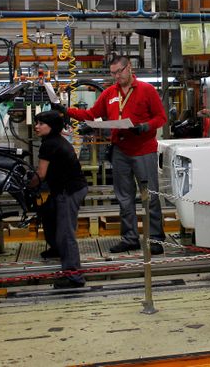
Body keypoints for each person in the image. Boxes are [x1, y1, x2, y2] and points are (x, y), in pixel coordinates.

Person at [54, 55, 168, 254]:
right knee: (124, 197)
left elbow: (161, 117)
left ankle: (156, 239)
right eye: (113, 73)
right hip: (121, 151)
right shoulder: (109, 93)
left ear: (129, 68)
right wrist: (67, 111)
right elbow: (91, 114)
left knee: (149, 196)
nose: (116, 77)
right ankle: (130, 238)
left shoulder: (146, 90)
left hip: (143, 149)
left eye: (119, 72)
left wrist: (145, 126)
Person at [30, 110, 88, 289]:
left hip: (69, 191)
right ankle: (56, 249)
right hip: (67, 188)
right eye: (36, 123)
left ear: (52, 126)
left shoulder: (50, 144)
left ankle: (74, 276)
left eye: (41, 124)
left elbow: (41, 174)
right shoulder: (54, 139)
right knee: (48, 212)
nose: (36, 127)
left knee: (65, 233)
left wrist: (26, 187)